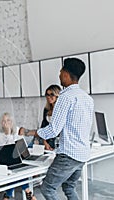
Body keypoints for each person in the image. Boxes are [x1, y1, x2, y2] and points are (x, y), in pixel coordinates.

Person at [20, 58, 94, 200]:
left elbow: (53, 130)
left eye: (60, 72)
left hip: (68, 155)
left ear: (66, 74)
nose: (59, 75)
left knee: (47, 189)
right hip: (82, 154)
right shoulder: (87, 98)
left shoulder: (65, 97)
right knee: (69, 187)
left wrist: (33, 132)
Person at [0, 112, 35, 200]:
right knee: (14, 171)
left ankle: (7, 195)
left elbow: (21, 147)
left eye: (8, 120)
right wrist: (8, 132)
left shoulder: (17, 130)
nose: (6, 123)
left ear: (12, 122)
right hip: (5, 161)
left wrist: (12, 133)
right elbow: (6, 149)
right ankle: (27, 191)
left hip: (16, 159)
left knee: (17, 170)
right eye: (3, 121)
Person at [36, 84, 62, 150]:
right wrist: (45, 143)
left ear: (57, 96)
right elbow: (43, 127)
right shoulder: (46, 110)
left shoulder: (61, 110)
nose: (48, 97)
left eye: (52, 94)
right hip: (48, 144)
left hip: (59, 143)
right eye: (47, 94)